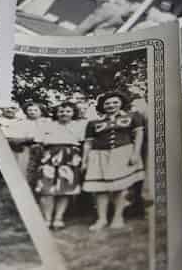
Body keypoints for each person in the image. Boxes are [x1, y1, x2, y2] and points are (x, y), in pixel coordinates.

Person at [82, 92, 145, 231]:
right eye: (107, 103)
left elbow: (139, 135)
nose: (111, 105)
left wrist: (135, 153)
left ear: (121, 103)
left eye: (115, 102)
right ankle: (102, 219)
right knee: (99, 189)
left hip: (122, 153)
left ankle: (118, 217)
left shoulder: (133, 117)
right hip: (98, 156)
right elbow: (88, 144)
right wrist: (84, 161)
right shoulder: (93, 123)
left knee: (120, 187)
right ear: (102, 106)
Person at [34, 102, 86, 230]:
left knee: (65, 189)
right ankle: (47, 219)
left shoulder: (79, 126)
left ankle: (58, 218)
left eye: (68, 111)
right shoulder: (48, 125)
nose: (64, 113)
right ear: (56, 113)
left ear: (73, 113)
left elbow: (83, 142)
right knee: (46, 189)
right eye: (61, 111)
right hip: (49, 156)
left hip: (70, 157)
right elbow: (38, 141)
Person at [2, 103, 45, 181]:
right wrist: (29, 139)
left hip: (44, 150)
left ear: (41, 111)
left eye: (35, 110)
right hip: (25, 150)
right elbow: (10, 139)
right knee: (26, 173)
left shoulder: (47, 123)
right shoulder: (19, 123)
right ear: (25, 111)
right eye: (30, 110)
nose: (32, 112)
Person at [76, 0, 143, 34]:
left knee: (97, 40)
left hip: (110, 26)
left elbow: (137, 16)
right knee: (81, 30)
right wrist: (99, 9)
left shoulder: (137, 6)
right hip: (97, 17)